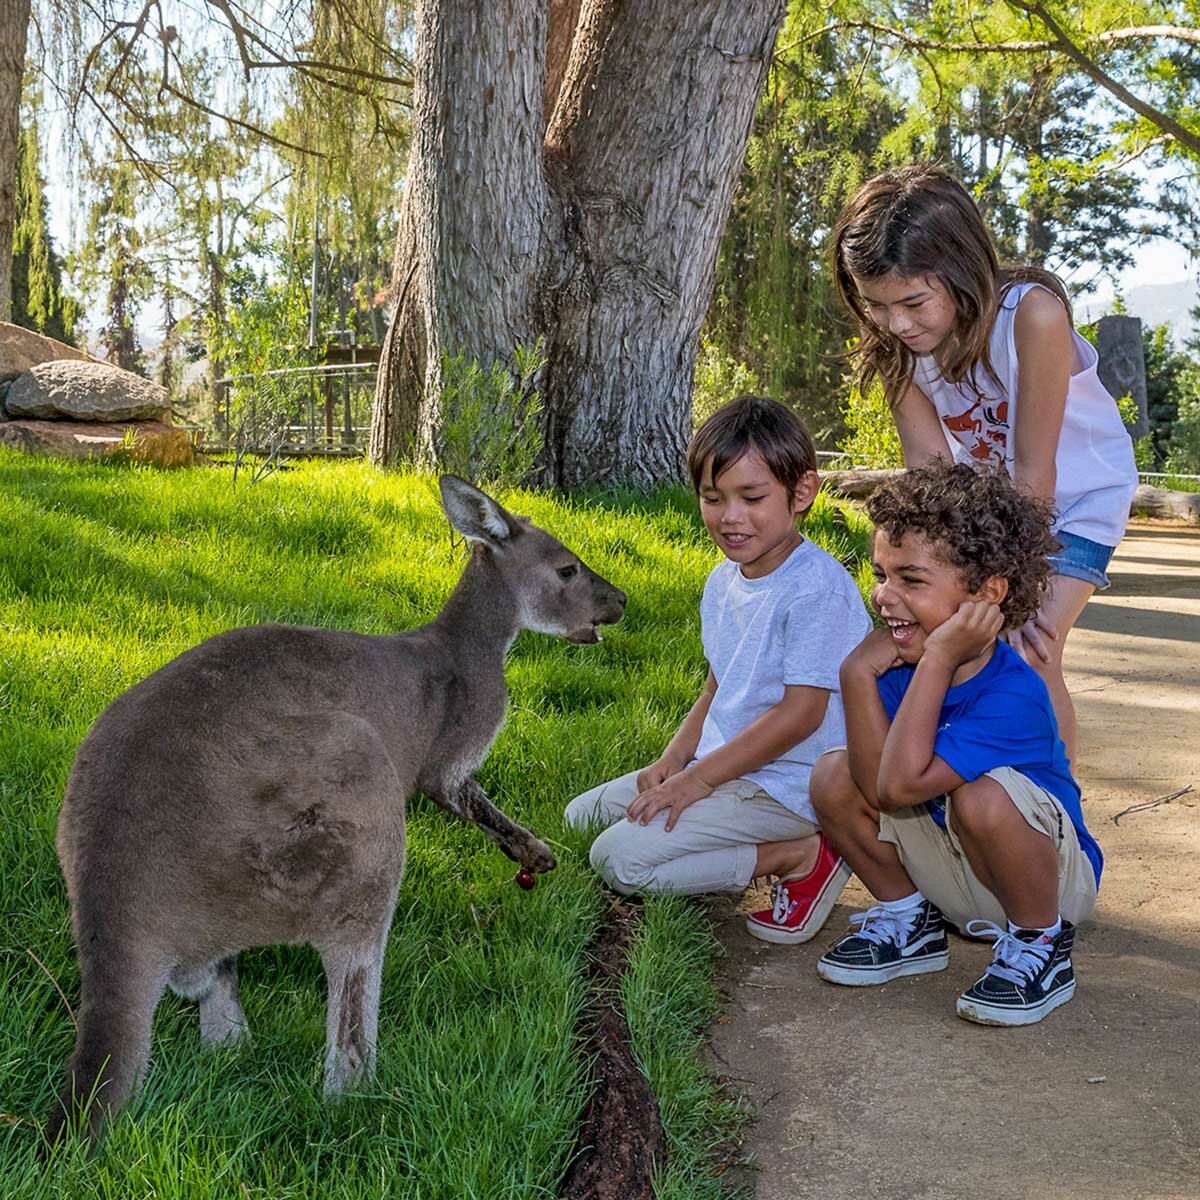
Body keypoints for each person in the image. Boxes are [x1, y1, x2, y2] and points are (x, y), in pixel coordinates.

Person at [831, 162, 1138, 764]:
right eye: (877, 305)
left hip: (1073, 504)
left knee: (1028, 647)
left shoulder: (1032, 317)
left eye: (914, 302)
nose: (897, 323)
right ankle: (971, 797)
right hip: (997, 515)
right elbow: (930, 474)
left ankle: (1054, 812)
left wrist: (1010, 593)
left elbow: (1034, 469)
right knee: (957, 641)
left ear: (962, 270)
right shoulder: (899, 349)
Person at [565, 395, 871, 943]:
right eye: (713, 498)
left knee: (620, 862)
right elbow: (718, 684)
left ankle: (798, 854)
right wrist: (673, 761)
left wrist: (696, 783)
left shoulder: (816, 590)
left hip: (787, 786)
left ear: (802, 492)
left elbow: (803, 715)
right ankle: (723, 828)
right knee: (579, 819)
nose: (730, 517)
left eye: (752, 497)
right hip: (726, 766)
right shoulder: (723, 580)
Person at [812, 462, 1101, 1026]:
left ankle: (1041, 948)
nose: (884, 597)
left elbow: (899, 788)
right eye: (881, 574)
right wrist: (860, 678)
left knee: (982, 796)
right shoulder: (893, 666)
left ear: (986, 595)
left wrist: (931, 660)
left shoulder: (1013, 694)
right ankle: (910, 920)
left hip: (1045, 886)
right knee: (831, 775)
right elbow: (875, 788)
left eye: (911, 580)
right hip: (956, 871)